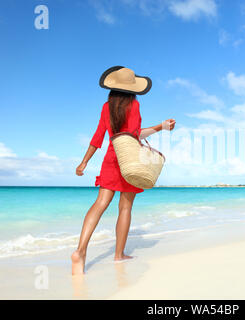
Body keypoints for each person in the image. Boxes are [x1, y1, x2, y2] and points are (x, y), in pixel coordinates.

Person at [71, 66, 175, 275]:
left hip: (111, 157)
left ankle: (80, 251)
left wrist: (84, 162)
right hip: (130, 159)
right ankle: (119, 255)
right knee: (125, 207)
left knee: (100, 203)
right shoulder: (134, 105)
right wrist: (161, 127)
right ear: (133, 89)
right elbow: (134, 135)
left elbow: (98, 136)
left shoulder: (106, 107)